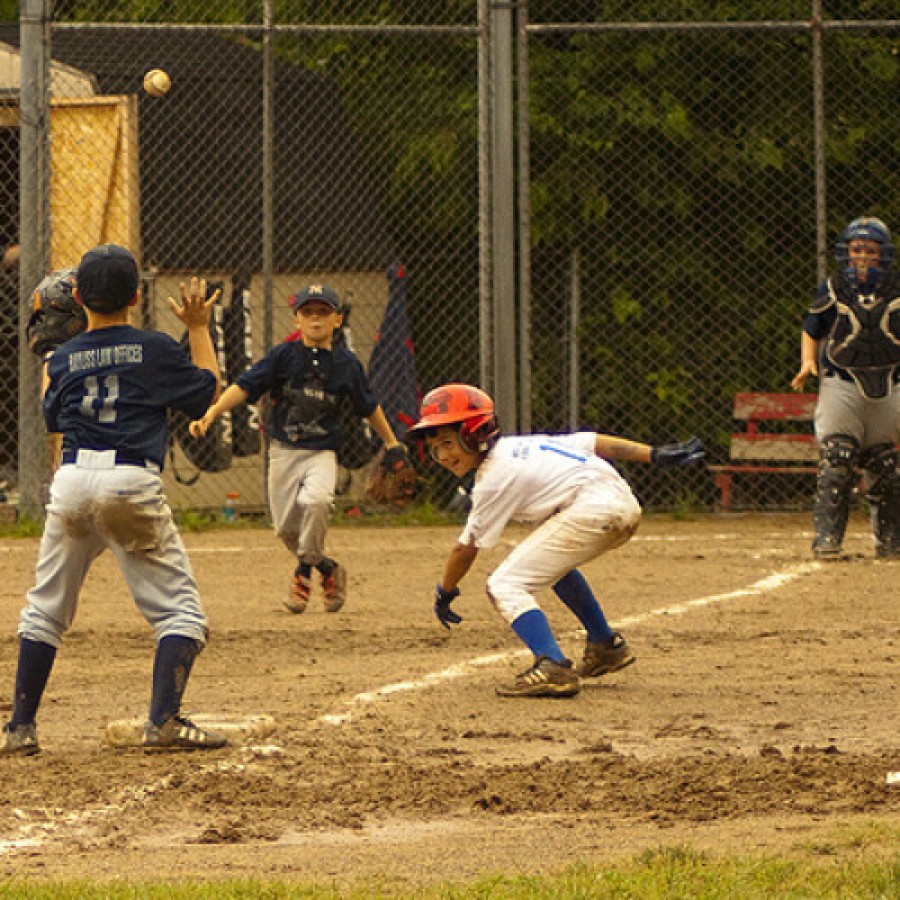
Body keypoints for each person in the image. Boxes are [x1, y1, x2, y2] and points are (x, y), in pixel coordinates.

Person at [1, 244, 228, 755]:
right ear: (137, 295)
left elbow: (52, 418)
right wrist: (195, 328)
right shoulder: (153, 348)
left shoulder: (61, 358)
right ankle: (164, 720)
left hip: (74, 481)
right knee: (181, 615)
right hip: (131, 482)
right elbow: (207, 391)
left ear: (78, 296)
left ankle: (20, 727)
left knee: (45, 610)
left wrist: (61, 361)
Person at [406, 383, 705, 698]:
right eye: (436, 447)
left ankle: (552, 666)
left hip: (593, 511)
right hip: (621, 504)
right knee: (553, 567)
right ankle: (605, 645)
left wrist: (446, 590)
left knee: (504, 585)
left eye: (448, 443)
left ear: (474, 432)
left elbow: (465, 548)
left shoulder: (492, 480)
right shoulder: (522, 446)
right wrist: (654, 454)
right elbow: (593, 442)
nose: (442, 455)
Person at [190, 283, 407, 614]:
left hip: (322, 451)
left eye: (323, 312)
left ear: (338, 320)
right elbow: (244, 387)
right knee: (286, 530)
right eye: (308, 312)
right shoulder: (283, 356)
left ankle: (303, 573)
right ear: (296, 320)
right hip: (283, 450)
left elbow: (369, 406)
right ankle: (328, 568)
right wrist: (211, 413)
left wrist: (392, 443)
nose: (315, 319)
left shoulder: (346, 364)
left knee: (317, 502)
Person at [791, 216, 900, 560]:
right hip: (843, 383)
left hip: (889, 382)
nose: (863, 258)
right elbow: (812, 328)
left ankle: (891, 541)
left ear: (884, 254)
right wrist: (808, 362)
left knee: (886, 464)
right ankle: (827, 540)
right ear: (846, 254)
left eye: (870, 250)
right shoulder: (833, 288)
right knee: (838, 458)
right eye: (856, 250)